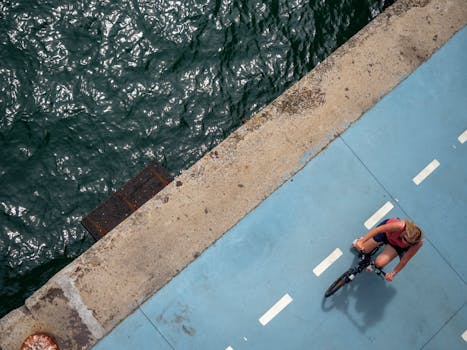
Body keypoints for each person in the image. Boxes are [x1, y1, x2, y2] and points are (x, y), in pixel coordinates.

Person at [353, 218, 423, 282]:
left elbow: (405, 259)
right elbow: (378, 230)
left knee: (379, 263)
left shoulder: (417, 243)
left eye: (410, 243)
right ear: (404, 232)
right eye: (405, 239)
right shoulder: (399, 226)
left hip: (397, 245)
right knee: (361, 248)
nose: (406, 243)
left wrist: (393, 274)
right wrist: (361, 241)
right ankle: (362, 239)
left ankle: (376, 260)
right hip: (386, 234)